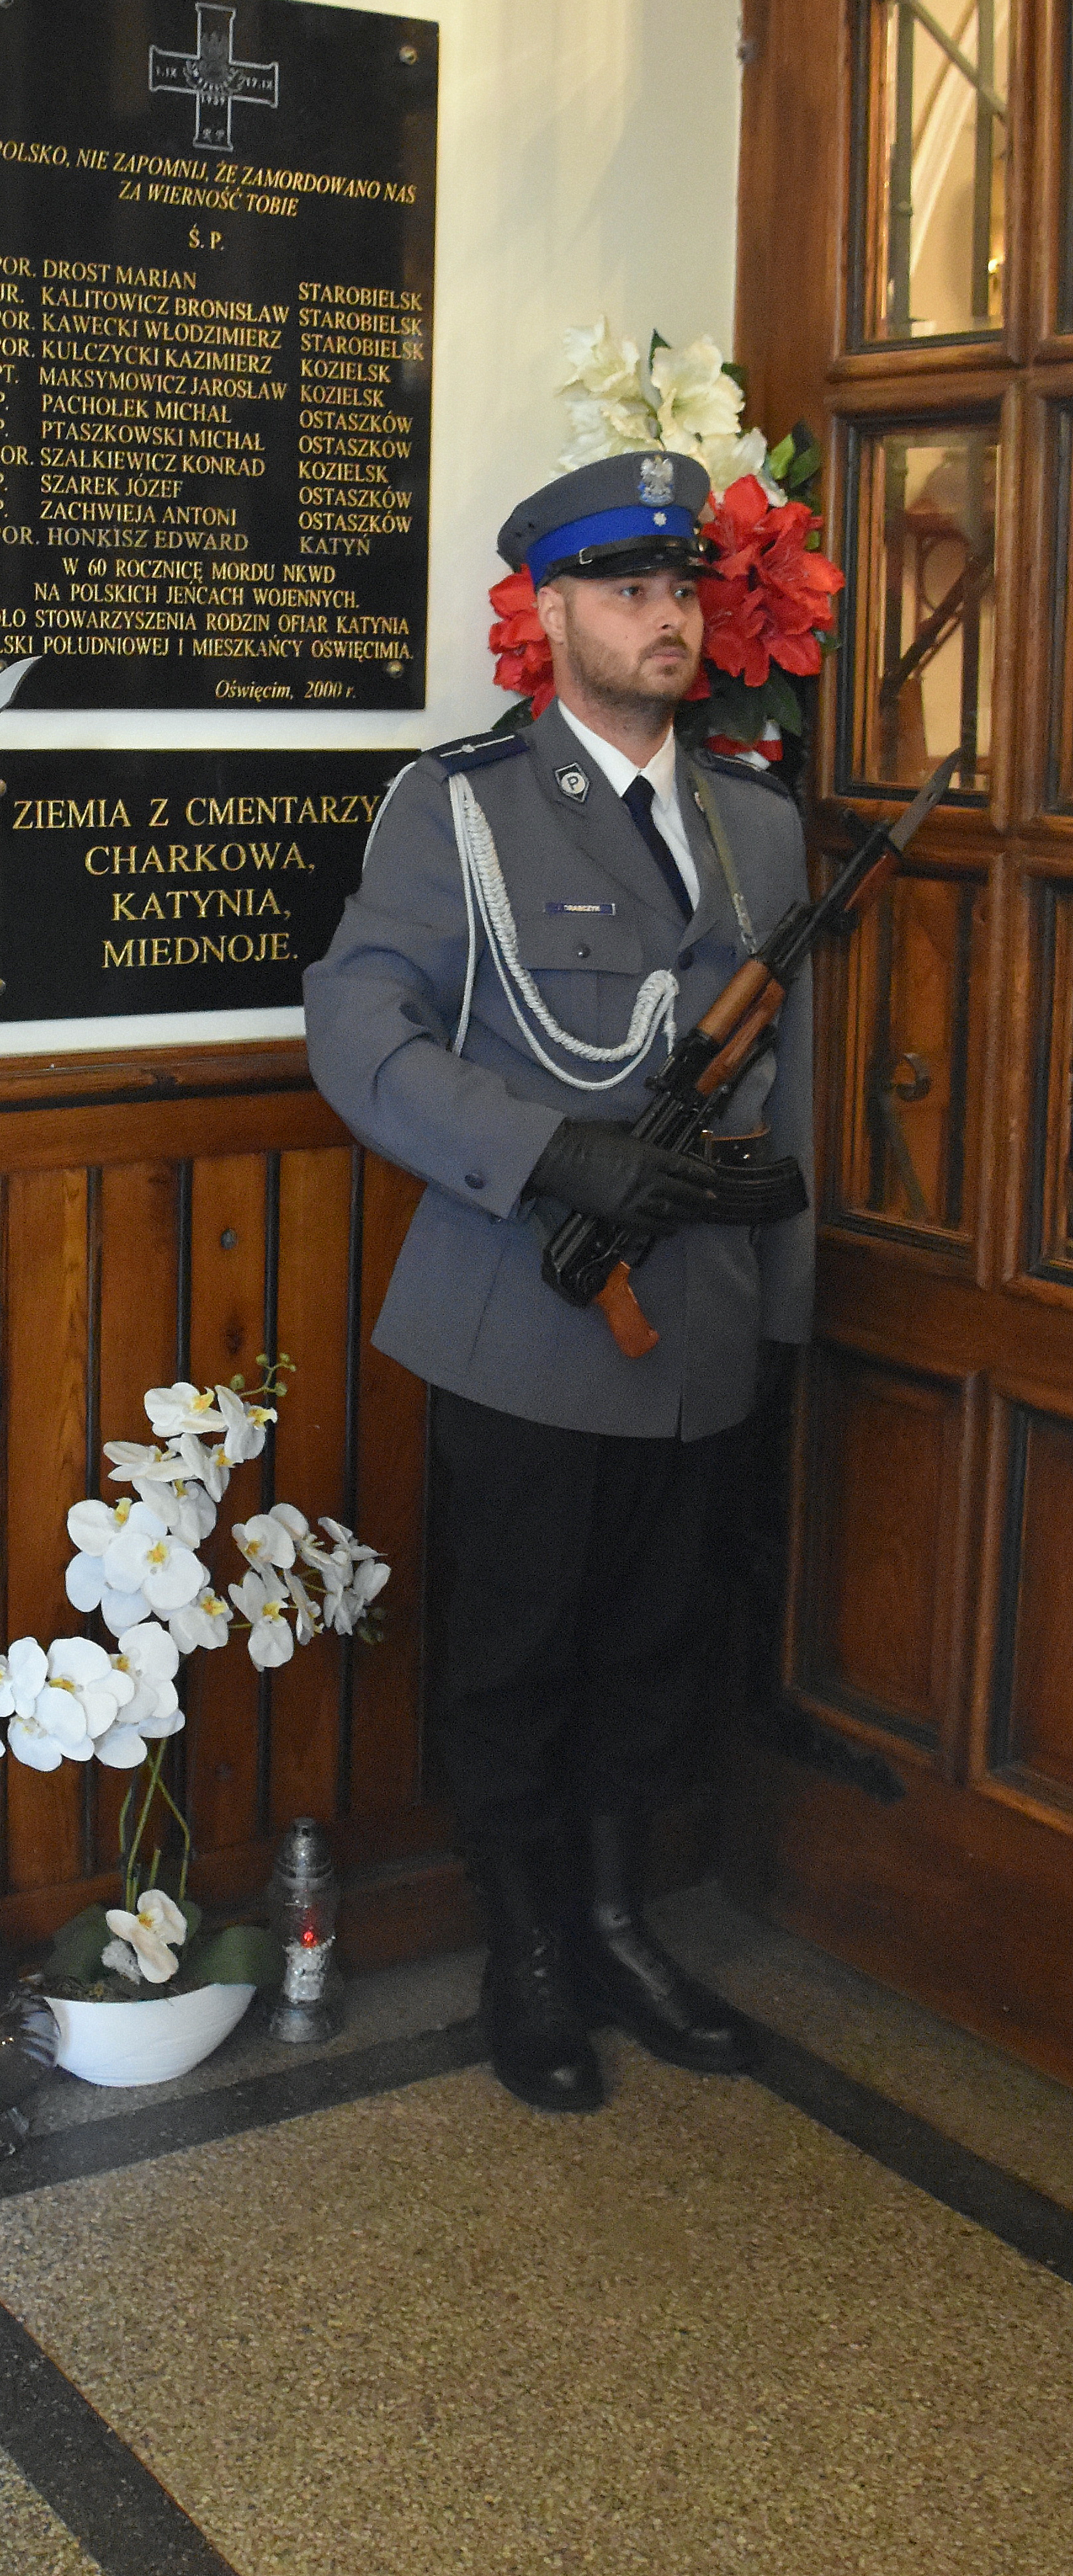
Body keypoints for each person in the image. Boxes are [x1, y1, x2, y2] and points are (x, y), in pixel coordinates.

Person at [304, 451, 813, 2114]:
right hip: (525, 1317)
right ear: (552, 614)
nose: (666, 619)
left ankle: (613, 1923)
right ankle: (525, 1950)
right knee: (517, 1659)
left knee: (658, 1648)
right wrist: (549, 1154)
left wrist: (785, 1314)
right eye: (626, 591)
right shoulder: (461, 809)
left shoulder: (757, 826)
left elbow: (788, 1094)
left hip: (703, 1325)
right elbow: (358, 1032)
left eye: (682, 591)